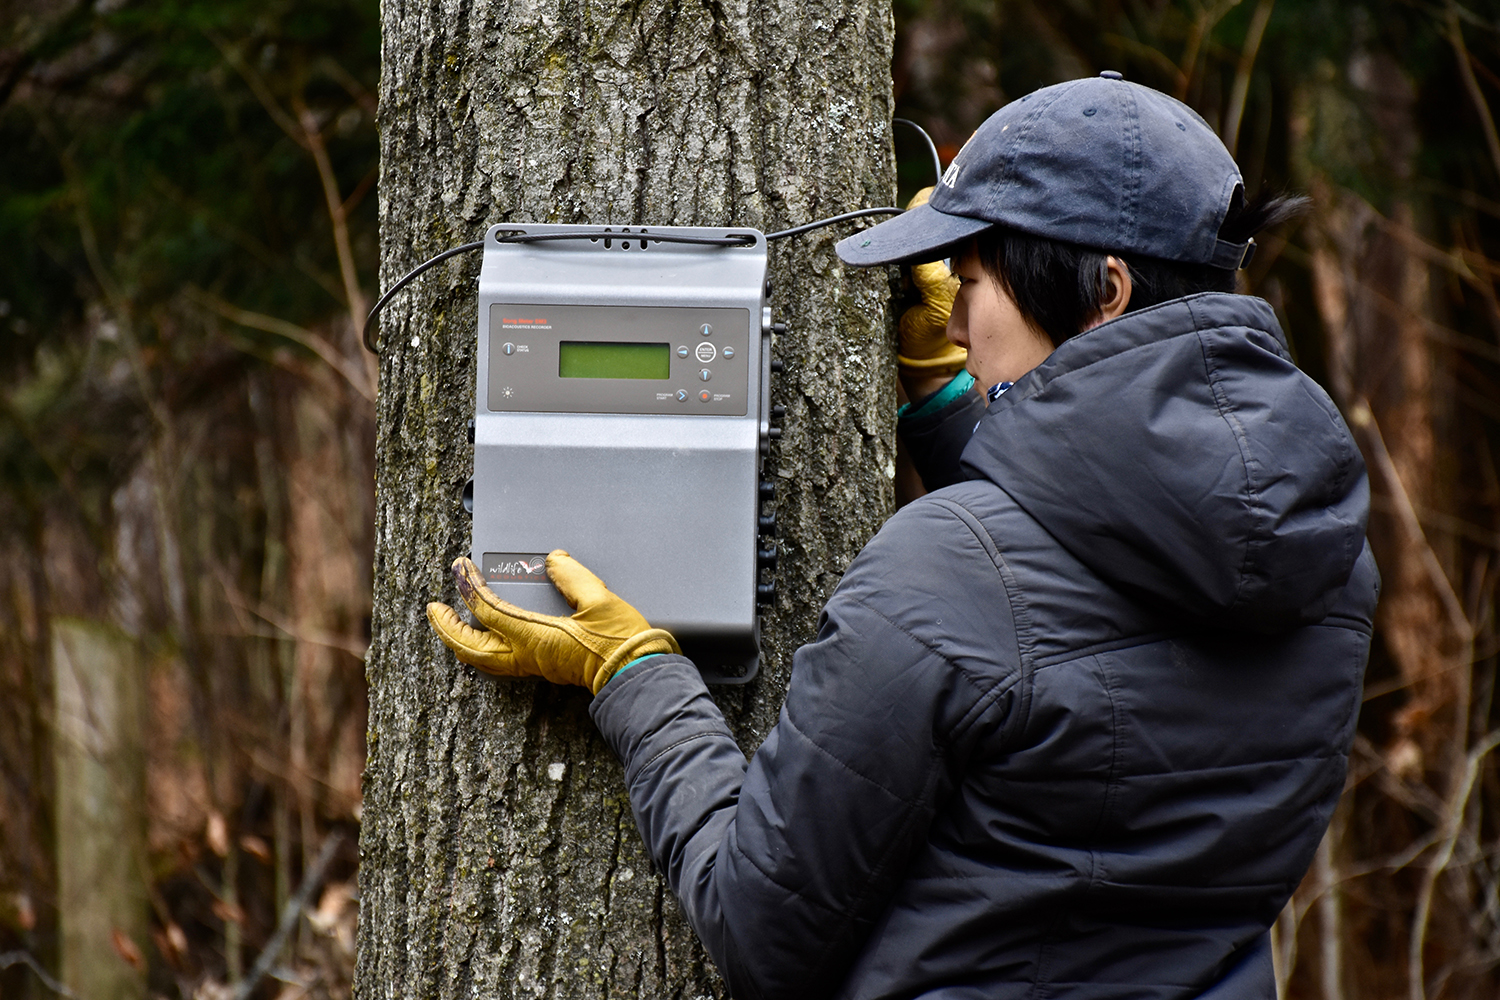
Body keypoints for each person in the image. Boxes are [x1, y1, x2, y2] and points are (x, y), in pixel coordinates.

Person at [426, 74, 1378, 1000]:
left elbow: (759, 928)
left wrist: (633, 676)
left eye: (973, 283)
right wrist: (942, 395)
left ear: (1107, 290)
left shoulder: (941, 575)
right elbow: (1080, 605)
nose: (957, 320)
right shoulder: (1325, 553)